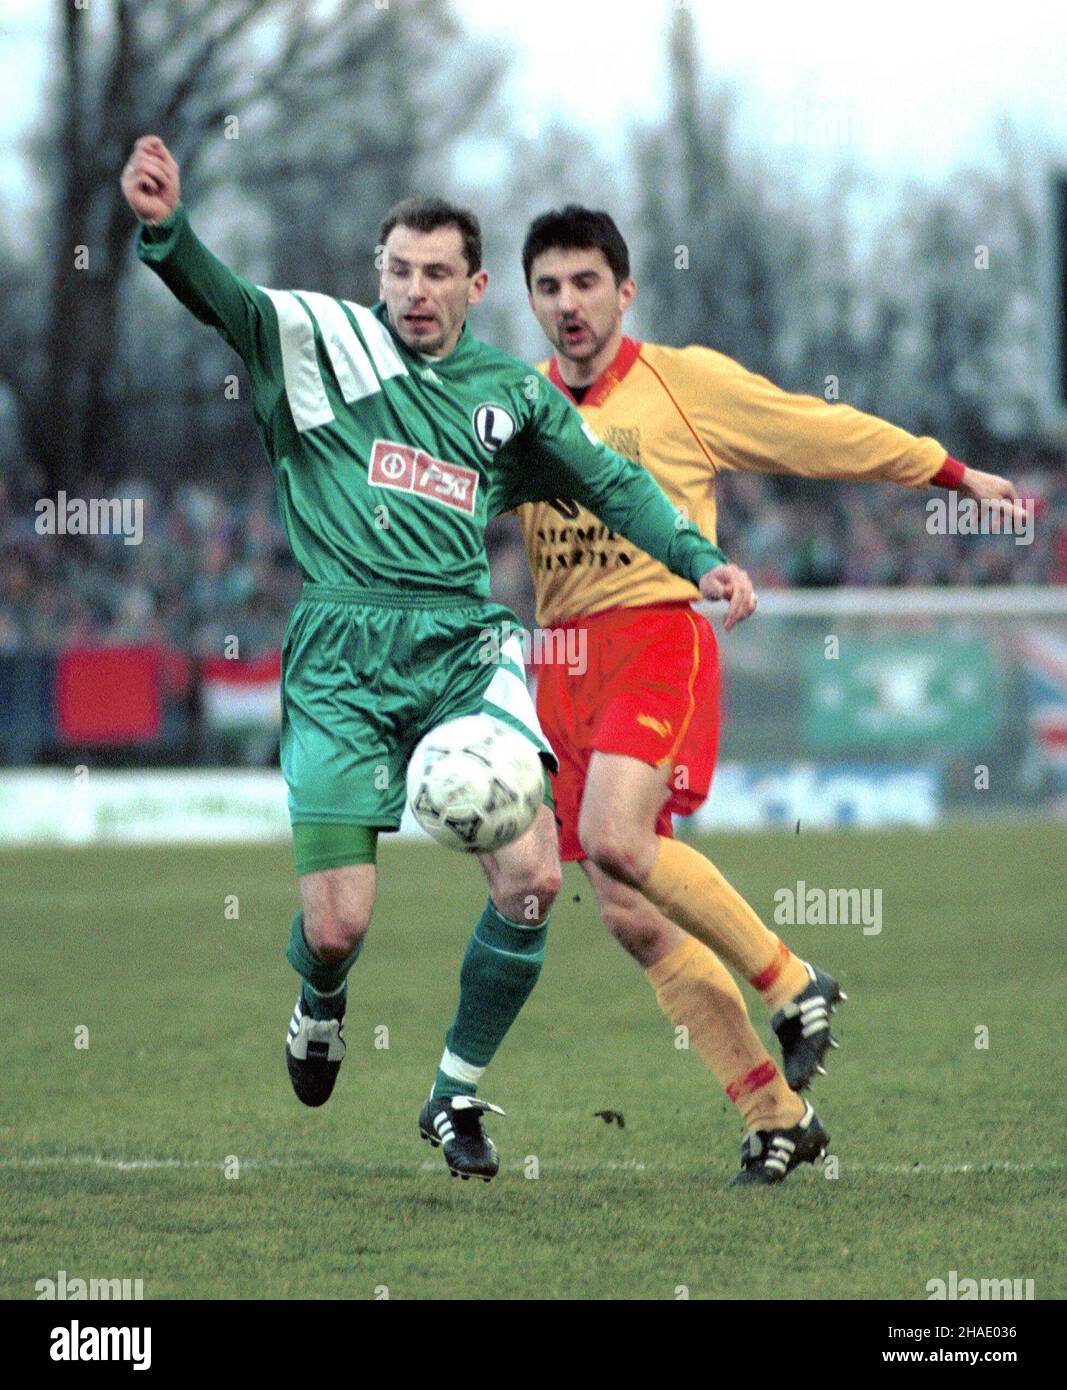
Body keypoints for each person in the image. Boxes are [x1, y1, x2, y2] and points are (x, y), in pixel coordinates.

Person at [120, 140, 756, 1182]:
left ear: (475, 284)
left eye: (435, 272)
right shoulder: (316, 339)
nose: (414, 291)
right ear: (377, 274)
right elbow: (219, 296)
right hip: (340, 654)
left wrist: (698, 557)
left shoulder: (508, 391)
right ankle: (319, 1002)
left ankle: (453, 1093)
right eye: (397, 270)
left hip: (464, 646)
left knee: (534, 880)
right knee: (338, 925)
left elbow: (609, 483)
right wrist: (165, 231)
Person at [517, 205, 1021, 1185]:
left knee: (621, 839)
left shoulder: (682, 382)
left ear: (624, 291)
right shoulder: (516, 405)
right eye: (548, 285)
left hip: (657, 638)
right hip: (559, 664)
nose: (567, 303)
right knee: (624, 911)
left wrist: (946, 470)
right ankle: (776, 1116)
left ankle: (796, 982)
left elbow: (812, 431)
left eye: (585, 282)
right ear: (528, 300)